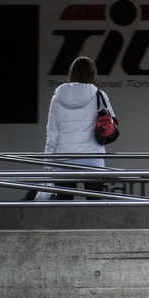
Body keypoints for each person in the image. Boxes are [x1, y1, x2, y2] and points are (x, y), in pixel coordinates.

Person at [44, 56, 111, 200]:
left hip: (65, 159)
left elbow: (52, 134)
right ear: (92, 74)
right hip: (93, 159)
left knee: (64, 206)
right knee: (95, 205)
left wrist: (47, 164)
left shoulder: (57, 98)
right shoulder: (100, 96)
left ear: (72, 73)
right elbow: (110, 124)